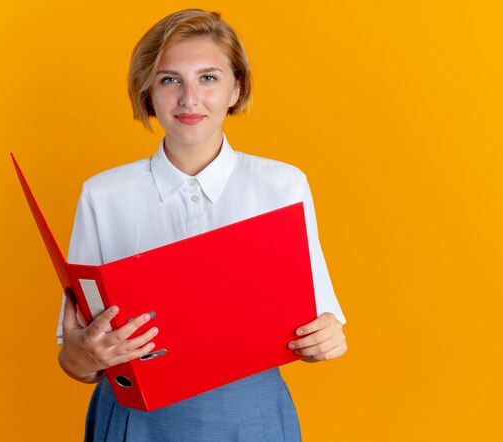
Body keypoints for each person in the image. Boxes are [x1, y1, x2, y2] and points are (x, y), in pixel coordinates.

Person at [57, 9, 347, 442]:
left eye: (208, 78)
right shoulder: (103, 195)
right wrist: (85, 356)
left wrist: (326, 340)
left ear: (236, 89)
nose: (189, 99)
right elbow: (75, 360)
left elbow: (320, 327)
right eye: (170, 79)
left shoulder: (283, 185)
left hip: (252, 419)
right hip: (138, 422)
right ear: (148, 93)